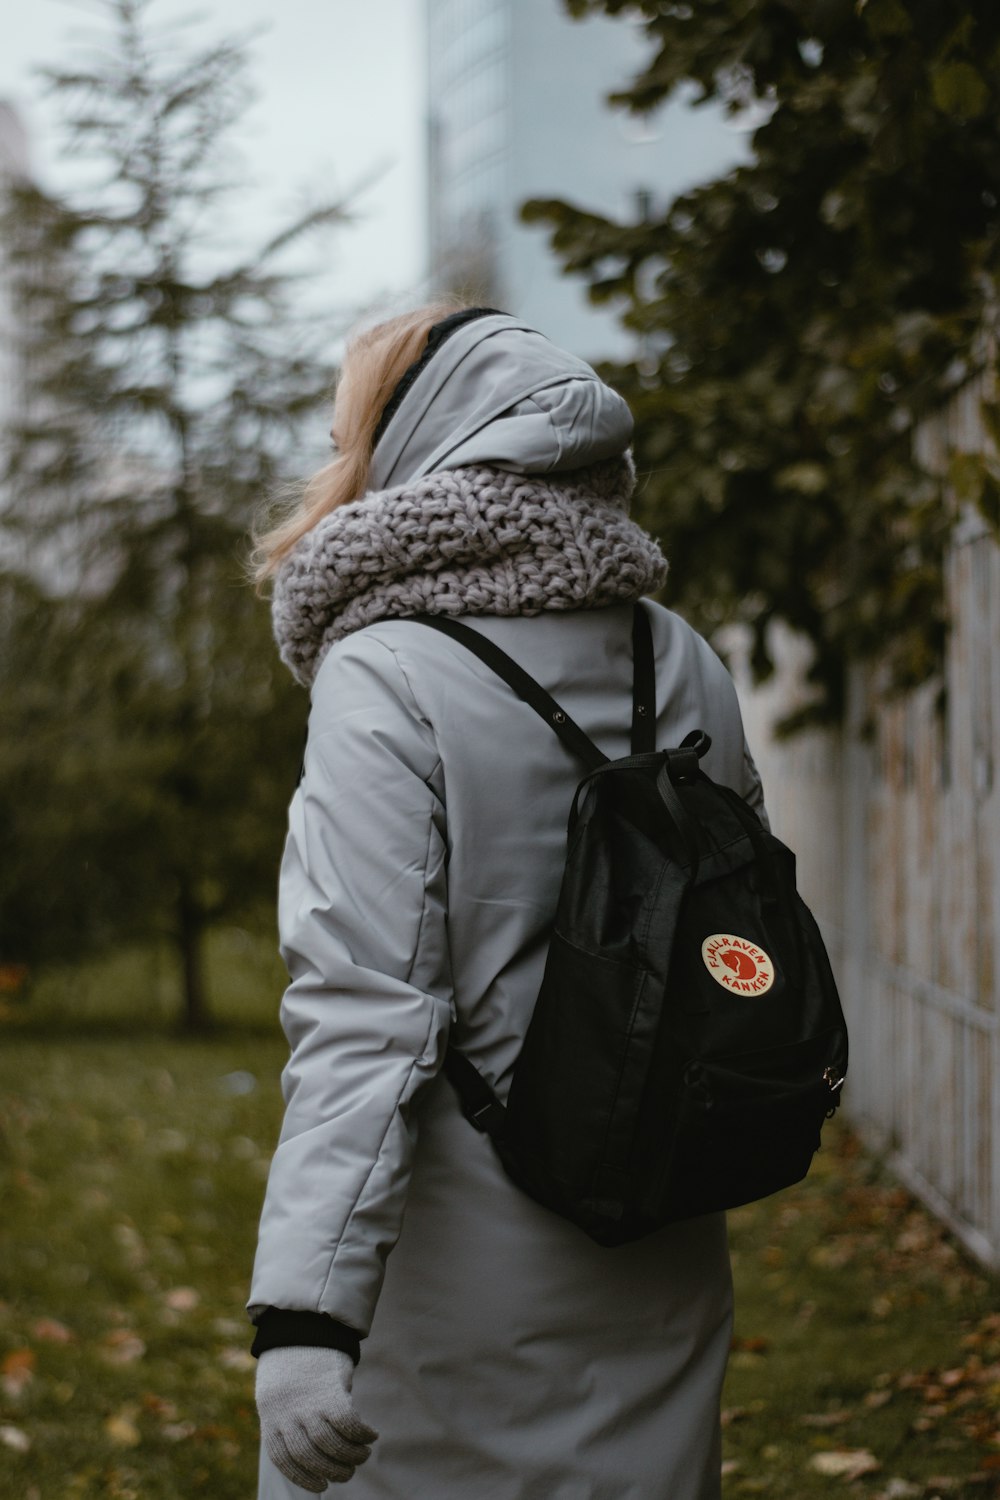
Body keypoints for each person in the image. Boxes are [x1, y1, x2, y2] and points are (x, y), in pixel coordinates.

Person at [247, 303, 767, 1499]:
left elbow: (362, 1009)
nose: (335, 467)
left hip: (453, 1277)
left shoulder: (388, 669)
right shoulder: (679, 651)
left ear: (418, 443)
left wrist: (305, 1320)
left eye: (347, 436)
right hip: (661, 1228)